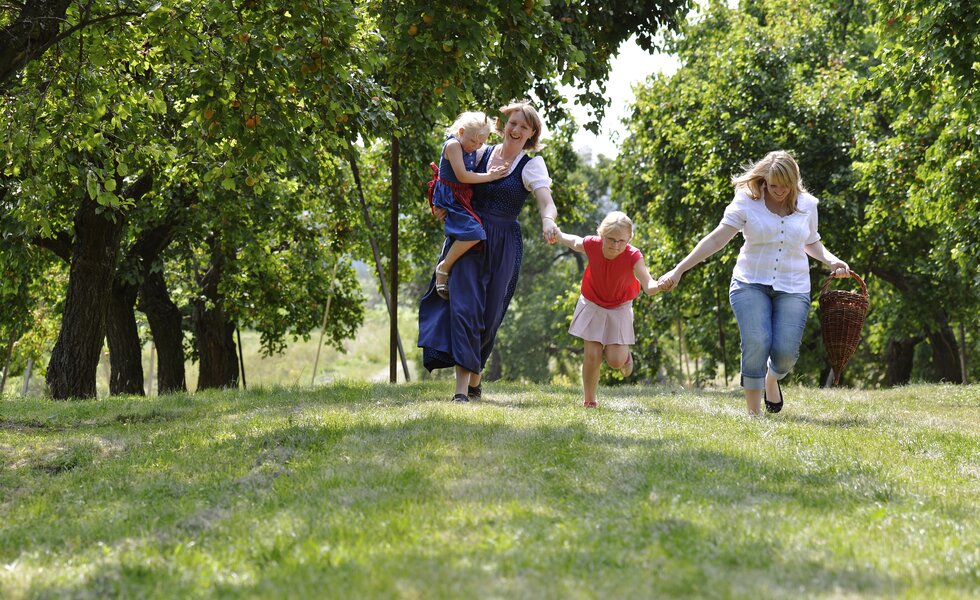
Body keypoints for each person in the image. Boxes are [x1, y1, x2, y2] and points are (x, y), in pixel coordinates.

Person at [657, 150, 851, 415]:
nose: (779, 190)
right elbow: (716, 239)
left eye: (785, 185)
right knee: (757, 340)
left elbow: (811, 241)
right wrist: (679, 270)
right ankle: (753, 414)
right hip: (750, 282)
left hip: (793, 286)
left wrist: (832, 261)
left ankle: (772, 378)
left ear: (795, 181)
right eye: (773, 185)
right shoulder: (747, 201)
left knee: (785, 354)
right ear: (763, 180)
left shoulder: (808, 205)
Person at [418, 101, 559, 402]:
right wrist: (441, 205)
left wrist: (548, 221)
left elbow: (546, 201)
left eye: (524, 126)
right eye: (513, 123)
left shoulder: (531, 165)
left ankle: (474, 379)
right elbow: (451, 177)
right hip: (470, 236)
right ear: (504, 124)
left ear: (532, 133)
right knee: (464, 309)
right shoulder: (479, 151)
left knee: (489, 316)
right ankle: (460, 393)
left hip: (505, 243)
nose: (516, 129)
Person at [556, 211, 661, 407]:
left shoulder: (633, 256)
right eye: (611, 239)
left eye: (622, 241)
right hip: (593, 302)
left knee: (615, 361)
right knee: (592, 354)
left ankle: (625, 356)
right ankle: (589, 400)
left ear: (629, 239)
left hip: (619, 307)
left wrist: (659, 285)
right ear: (601, 234)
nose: (616, 245)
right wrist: (559, 235)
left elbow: (648, 284)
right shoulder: (593, 244)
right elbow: (576, 242)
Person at [426, 111, 509, 299]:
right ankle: (444, 267)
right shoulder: (453, 145)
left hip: (462, 195)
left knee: (473, 232)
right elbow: (463, 176)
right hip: (451, 197)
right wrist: (490, 176)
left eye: (481, 143)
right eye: (474, 142)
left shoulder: (472, 145)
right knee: (475, 233)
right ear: (461, 131)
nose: (477, 146)